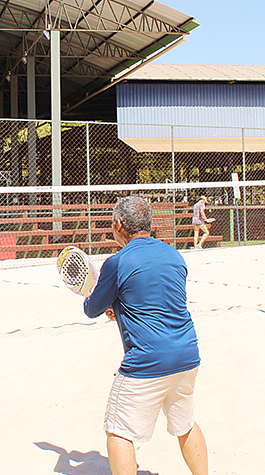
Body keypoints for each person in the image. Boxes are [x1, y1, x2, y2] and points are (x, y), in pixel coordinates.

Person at [84, 196, 207, 474]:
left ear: (118, 225)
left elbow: (92, 309)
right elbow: (157, 299)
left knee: (118, 431)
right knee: (185, 424)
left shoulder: (117, 262)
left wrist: (101, 302)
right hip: (188, 354)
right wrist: (120, 305)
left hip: (148, 361)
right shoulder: (174, 255)